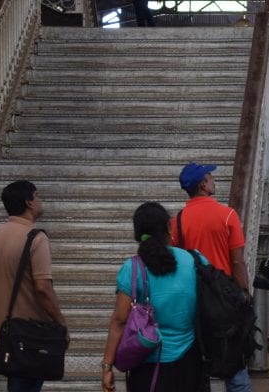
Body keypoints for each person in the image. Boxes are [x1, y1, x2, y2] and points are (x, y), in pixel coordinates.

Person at [169, 162, 252, 391]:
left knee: (198, 366)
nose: (214, 181)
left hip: (192, 301)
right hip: (224, 301)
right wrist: (244, 293)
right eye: (210, 177)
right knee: (235, 365)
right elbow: (237, 261)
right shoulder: (227, 216)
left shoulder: (175, 222)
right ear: (203, 184)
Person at [102, 202, 202, 392]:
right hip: (190, 361)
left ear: (138, 233)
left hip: (146, 362)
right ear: (168, 227)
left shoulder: (132, 268)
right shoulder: (193, 260)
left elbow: (119, 320)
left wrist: (107, 366)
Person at [0, 180, 66, 392]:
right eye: (37, 196)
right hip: (32, 332)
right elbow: (42, 288)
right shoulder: (35, 238)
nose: (40, 200)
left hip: (8, 327)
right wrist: (60, 323)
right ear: (29, 202)